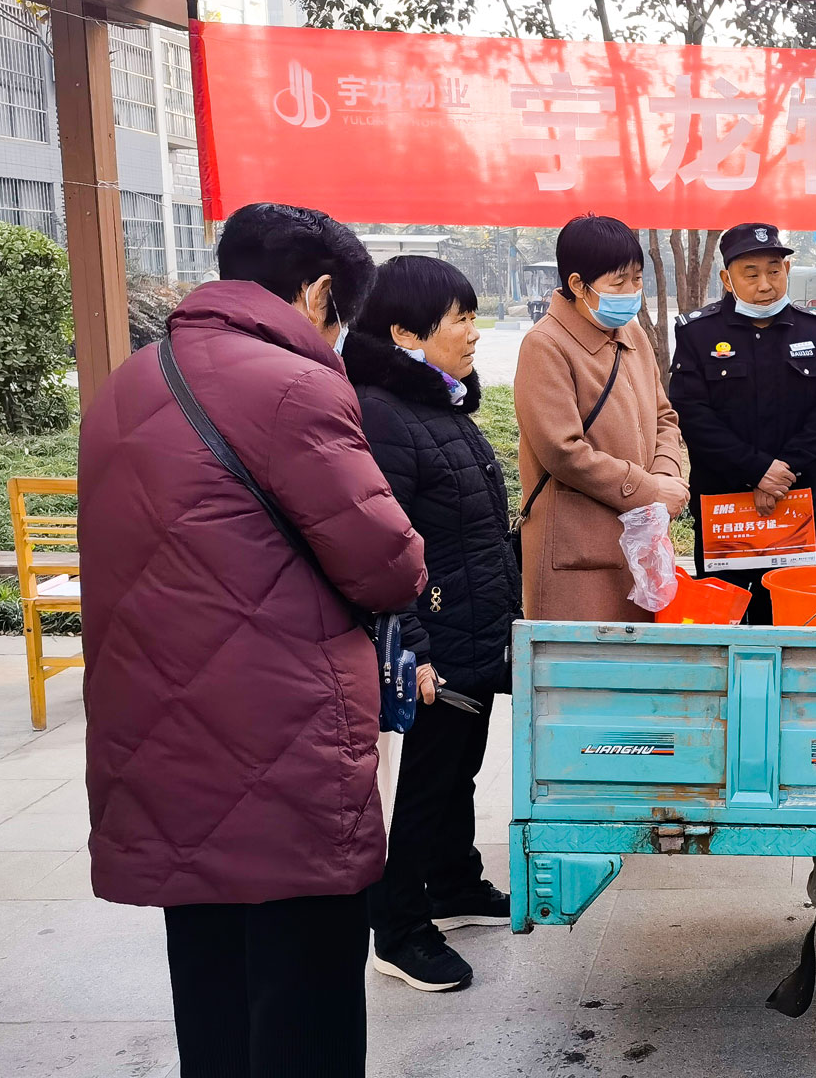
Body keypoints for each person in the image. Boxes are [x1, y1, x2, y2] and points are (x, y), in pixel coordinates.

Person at [79, 203, 426, 1077]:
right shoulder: (293, 386)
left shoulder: (130, 380)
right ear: (317, 294)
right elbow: (386, 564)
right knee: (304, 1000)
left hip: (157, 737)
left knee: (213, 993)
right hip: (279, 738)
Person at [342, 256, 518, 992]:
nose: (474, 332)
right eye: (461, 318)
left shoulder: (439, 404)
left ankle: (453, 884)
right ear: (406, 331)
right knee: (422, 784)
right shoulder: (382, 413)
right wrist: (412, 647)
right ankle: (399, 927)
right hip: (433, 639)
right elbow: (383, 543)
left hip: (471, 627)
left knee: (457, 769)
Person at [670, 223, 816, 623]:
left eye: (774, 270)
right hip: (724, 510)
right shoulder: (698, 334)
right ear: (727, 279)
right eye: (751, 273)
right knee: (723, 621)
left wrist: (782, 474)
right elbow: (693, 416)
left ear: (787, 270)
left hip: (793, 507)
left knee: (790, 622)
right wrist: (757, 471)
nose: (765, 284)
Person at [516, 214, 688, 621]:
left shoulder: (634, 335)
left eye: (638, 279)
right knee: (581, 672)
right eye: (618, 283)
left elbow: (664, 417)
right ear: (578, 285)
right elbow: (562, 451)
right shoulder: (545, 345)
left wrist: (666, 477)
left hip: (642, 538)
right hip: (576, 553)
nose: (631, 292)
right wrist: (648, 490)